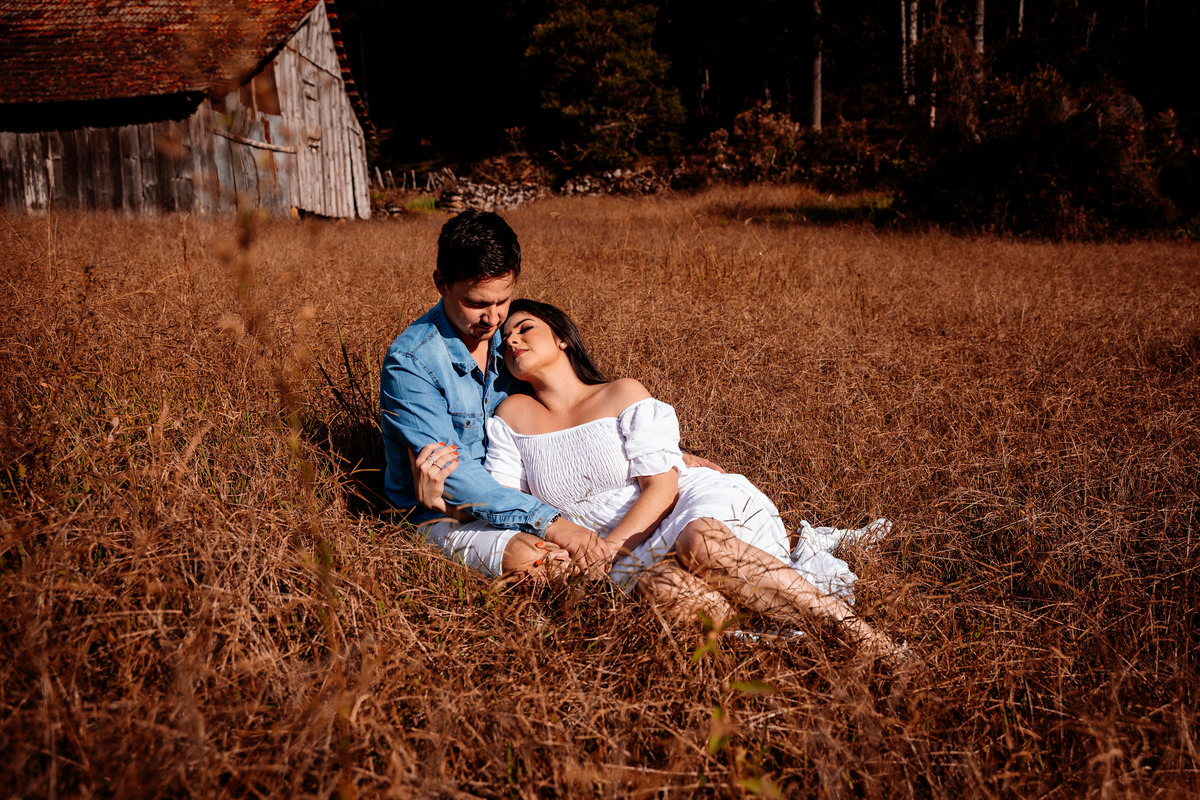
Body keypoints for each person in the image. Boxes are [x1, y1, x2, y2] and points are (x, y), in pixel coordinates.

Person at [414, 298, 902, 659]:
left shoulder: (620, 392)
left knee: (702, 542)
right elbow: (504, 496)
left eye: (526, 328)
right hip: (607, 547)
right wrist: (442, 502)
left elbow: (662, 485)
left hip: (674, 509)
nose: (513, 339)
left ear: (562, 336)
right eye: (507, 340)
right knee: (670, 594)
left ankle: (860, 635)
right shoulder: (511, 416)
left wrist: (609, 547)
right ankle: (771, 623)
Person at [380, 210, 718, 579]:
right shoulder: (412, 363)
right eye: (477, 303)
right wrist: (552, 524)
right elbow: (452, 476)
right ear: (441, 283)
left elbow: (570, 404)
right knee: (543, 559)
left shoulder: (508, 339)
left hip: (529, 498)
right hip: (447, 511)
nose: (493, 320)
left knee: (668, 536)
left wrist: (661, 450)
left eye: (503, 300)